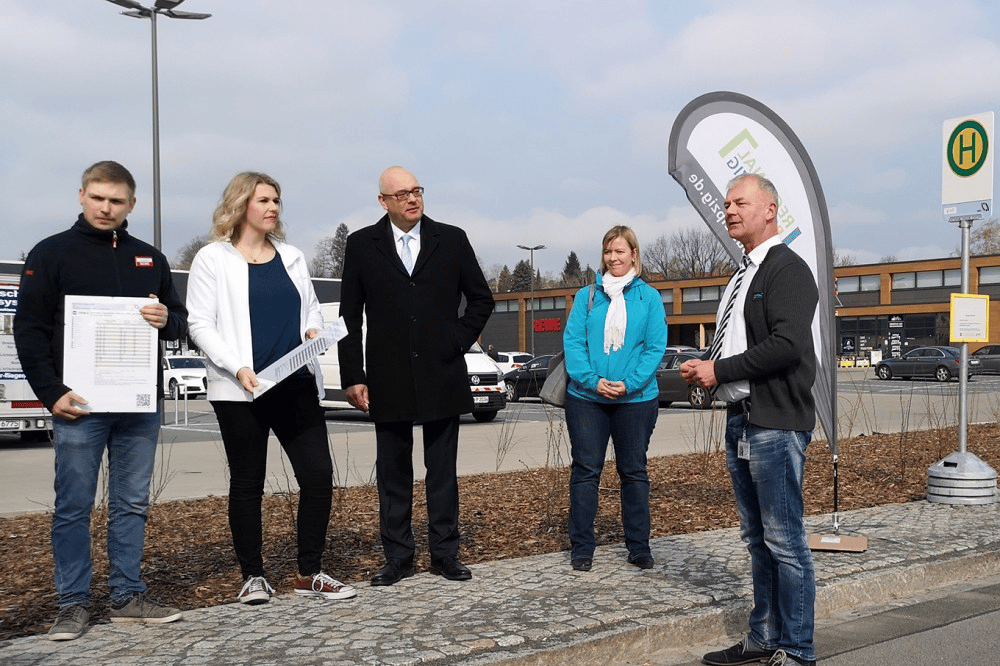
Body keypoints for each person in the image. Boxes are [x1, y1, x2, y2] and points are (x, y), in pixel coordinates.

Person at [13, 160, 187, 641]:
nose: (106, 207)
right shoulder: (51, 254)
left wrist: (164, 320)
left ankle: (127, 596)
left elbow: (179, 321)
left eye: (116, 200)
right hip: (79, 405)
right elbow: (28, 329)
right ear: (82, 196)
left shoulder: (149, 258)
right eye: (98, 197)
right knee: (73, 506)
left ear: (132, 204)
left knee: (131, 503)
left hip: (138, 404)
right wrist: (51, 393)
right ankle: (72, 603)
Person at [187, 172, 356, 606]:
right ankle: (253, 577)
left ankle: (310, 572)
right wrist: (237, 366)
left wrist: (313, 328)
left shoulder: (293, 256)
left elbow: (310, 306)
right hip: (241, 389)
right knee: (248, 483)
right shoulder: (213, 258)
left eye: (277, 200)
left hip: (295, 383)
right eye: (264, 199)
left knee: (318, 475)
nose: (273, 207)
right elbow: (199, 323)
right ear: (242, 204)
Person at [680, 174, 818, 666]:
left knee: (784, 540)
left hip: (777, 422)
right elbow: (743, 346)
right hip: (743, 420)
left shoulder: (788, 269)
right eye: (726, 203)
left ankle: (798, 650)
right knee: (758, 540)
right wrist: (709, 369)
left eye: (740, 202)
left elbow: (785, 346)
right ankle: (763, 639)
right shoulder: (743, 275)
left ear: (770, 210)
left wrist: (718, 370)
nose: (729, 210)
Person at [339, 166, 494, 586]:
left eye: (417, 191)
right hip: (387, 376)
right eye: (402, 193)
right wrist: (353, 375)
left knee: (442, 470)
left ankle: (445, 554)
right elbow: (348, 317)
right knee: (393, 473)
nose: (413, 199)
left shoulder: (452, 238)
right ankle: (398, 558)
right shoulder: (361, 245)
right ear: (383, 201)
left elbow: (482, 299)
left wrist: (455, 341)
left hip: (441, 371)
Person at [562, 226, 666, 572]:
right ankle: (582, 548)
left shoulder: (648, 298)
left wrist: (629, 384)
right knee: (586, 471)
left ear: (634, 254)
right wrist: (593, 381)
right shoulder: (587, 296)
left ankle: (638, 547)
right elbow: (574, 343)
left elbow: (654, 348)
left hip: (635, 400)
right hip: (586, 398)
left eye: (620, 252)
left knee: (634, 472)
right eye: (608, 252)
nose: (613, 258)